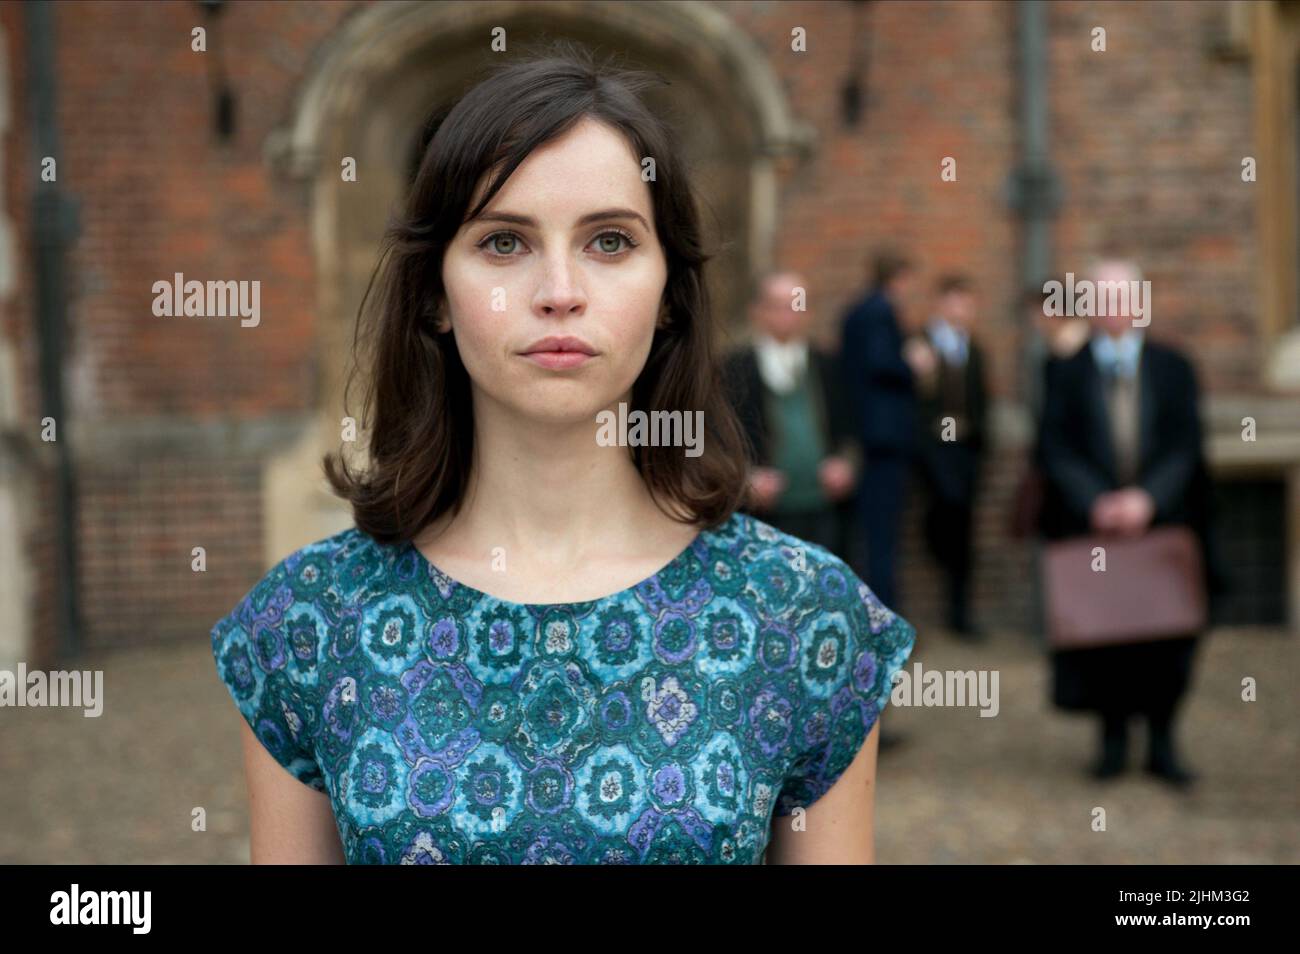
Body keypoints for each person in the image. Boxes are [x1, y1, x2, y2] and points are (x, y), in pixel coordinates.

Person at [208, 46, 915, 865]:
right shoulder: (309, 622)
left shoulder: (800, 617)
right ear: (435, 293)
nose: (559, 289)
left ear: (669, 296)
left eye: (609, 242)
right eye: (504, 243)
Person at [1038, 257, 1211, 788]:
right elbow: (1052, 447)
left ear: (1139, 303)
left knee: (1166, 636)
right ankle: (1111, 740)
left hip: (1163, 528)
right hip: (1092, 531)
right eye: (1099, 298)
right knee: (1106, 637)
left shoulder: (1173, 367)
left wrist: (1147, 499)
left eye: (1121, 297)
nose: (1111, 309)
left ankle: (1162, 742)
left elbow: (1187, 445)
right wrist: (1096, 501)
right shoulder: (1064, 372)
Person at [723, 271, 860, 561]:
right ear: (758, 312)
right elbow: (718, 437)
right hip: (764, 513)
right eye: (778, 305)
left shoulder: (828, 365)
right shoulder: (734, 369)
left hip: (823, 506)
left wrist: (845, 463)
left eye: (796, 304)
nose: (788, 314)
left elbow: (851, 425)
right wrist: (745, 477)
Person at [840, 250, 926, 613]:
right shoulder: (879, 311)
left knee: (875, 533)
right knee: (882, 535)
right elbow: (881, 363)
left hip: (871, 436)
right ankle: (883, 619)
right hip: (884, 439)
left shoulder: (858, 311)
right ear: (899, 278)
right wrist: (913, 362)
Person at [913, 274, 989, 639]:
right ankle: (939, 549)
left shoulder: (974, 349)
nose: (963, 310)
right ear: (942, 304)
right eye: (956, 302)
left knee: (964, 524)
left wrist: (972, 433)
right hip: (933, 451)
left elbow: (979, 403)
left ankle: (960, 610)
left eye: (968, 303)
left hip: (965, 450)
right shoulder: (921, 345)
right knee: (946, 507)